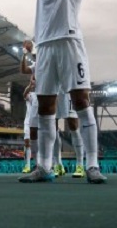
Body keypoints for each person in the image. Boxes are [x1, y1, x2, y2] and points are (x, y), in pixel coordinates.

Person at [12, 0, 105, 184]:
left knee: (81, 102)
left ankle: (92, 165)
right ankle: (44, 167)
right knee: (45, 108)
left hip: (69, 43)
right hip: (46, 48)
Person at [20, 40, 85, 178]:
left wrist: (31, 51)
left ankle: (80, 165)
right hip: (52, 91)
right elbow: (26, 68)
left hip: (66, 90)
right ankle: (58, 164)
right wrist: (26, 53)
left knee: (73, 125)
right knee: (53, 127)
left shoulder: (60, 43)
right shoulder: (38, 60)